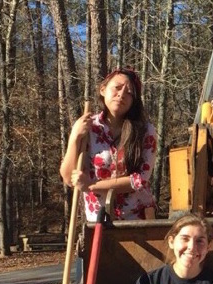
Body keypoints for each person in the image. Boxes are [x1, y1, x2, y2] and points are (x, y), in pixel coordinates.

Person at [60, 67, 157, 221]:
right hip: (99, 219)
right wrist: (74, 136)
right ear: (103, 89)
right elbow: (68, 177)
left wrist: (91, 186)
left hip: (137, 220)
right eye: (117, 88)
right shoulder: (88, 128)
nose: (122, 94)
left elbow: (140, 179)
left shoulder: (145, 131)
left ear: (134, 101)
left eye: (129, 92)